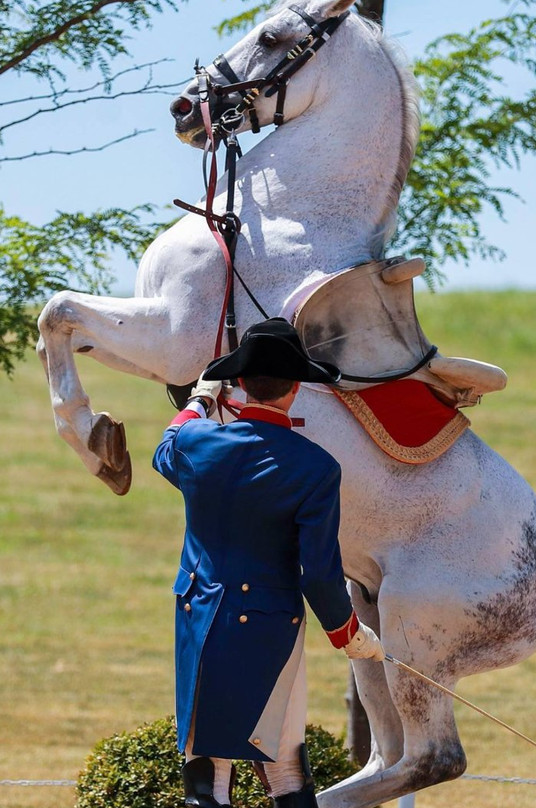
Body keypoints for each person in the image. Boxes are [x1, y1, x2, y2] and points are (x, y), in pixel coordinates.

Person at [152, 318, 385, 808]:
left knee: (207, 774)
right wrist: (349, 633)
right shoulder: (316, 467)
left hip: (198, 615)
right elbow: (318, 572)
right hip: (269, 626)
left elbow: (165, 449)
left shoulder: (197, 443)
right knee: (284, 770)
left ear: (237, 383)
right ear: (295, 388)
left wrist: (199, 401)